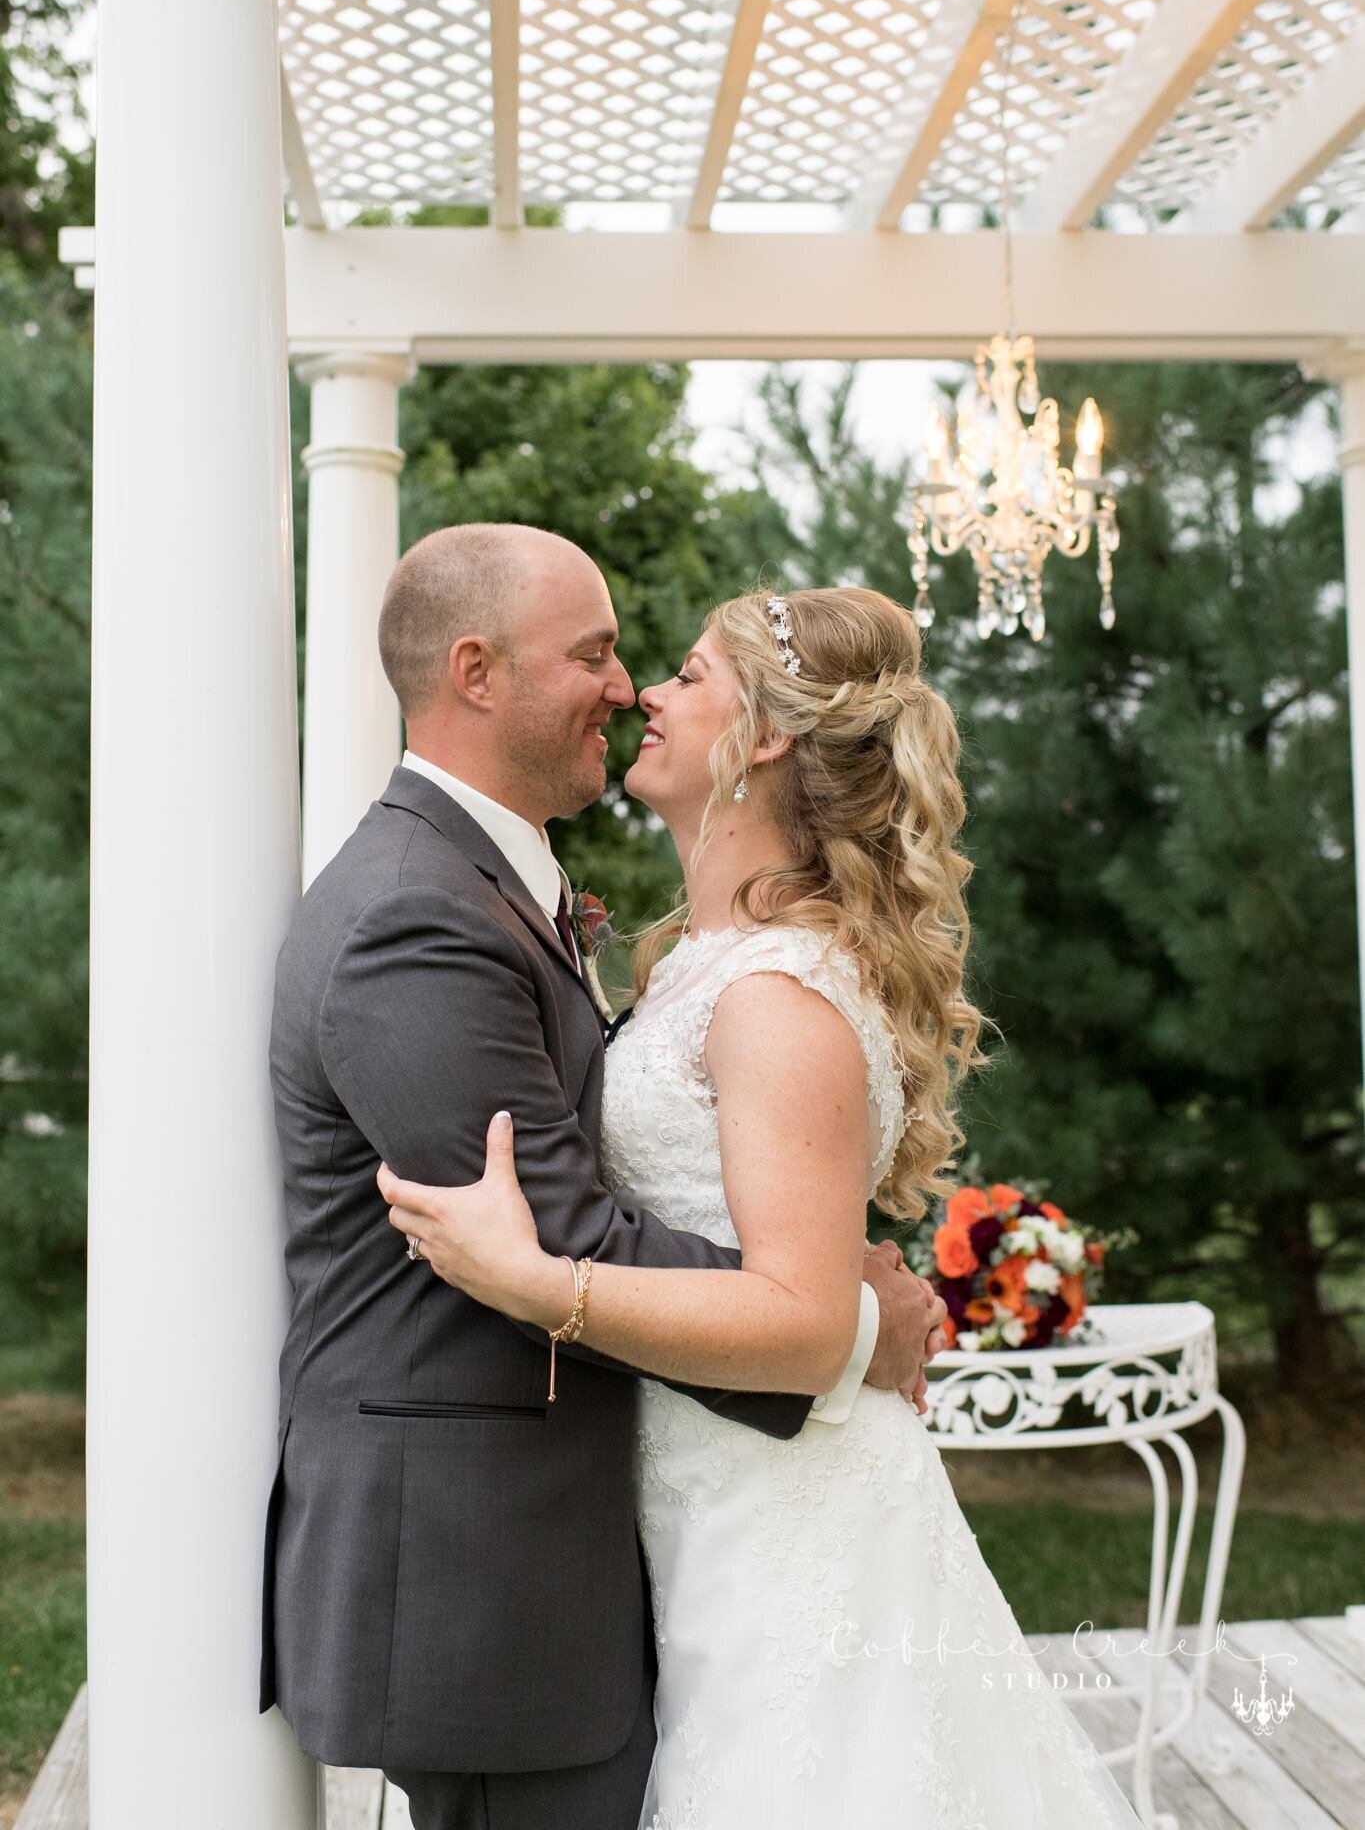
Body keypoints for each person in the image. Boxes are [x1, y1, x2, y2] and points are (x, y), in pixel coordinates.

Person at [380, 582, 1145, 1828]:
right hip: (712, 1505)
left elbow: (797, 1320)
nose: (646, 694)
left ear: (771, 735)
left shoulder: (778, 991)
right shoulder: (707, 961)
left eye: (685, 673)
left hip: (789, 1529)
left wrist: (530, 1281)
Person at [260, 526, 944, 1830]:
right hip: (488, 1574)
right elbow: (558, 1228)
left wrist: (816, 1305)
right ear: (474, 671)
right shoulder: (420, 910)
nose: (629, 686)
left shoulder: (533, 904)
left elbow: (580, 1217)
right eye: (599, 654)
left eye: (661, 665)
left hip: (626, 1544)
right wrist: (846, 1325)